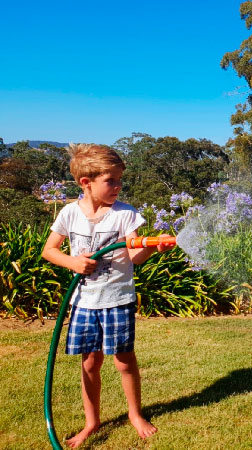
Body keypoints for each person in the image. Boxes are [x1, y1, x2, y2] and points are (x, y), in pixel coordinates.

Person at [42, 143, 174, 448]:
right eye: (110, 180)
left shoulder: (125, 214)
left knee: (124, 361)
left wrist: (153, 246)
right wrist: (73, 262)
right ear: (86, 183)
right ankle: (92, 421)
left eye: (119, 180)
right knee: (90, 363)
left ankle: (135, 414)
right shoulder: (69, 214)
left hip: (117, 299)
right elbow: (49, 250)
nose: (117, 186)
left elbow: (134, 256)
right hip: (84, 302)